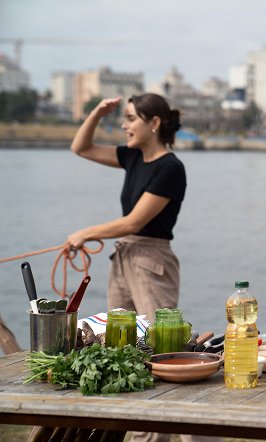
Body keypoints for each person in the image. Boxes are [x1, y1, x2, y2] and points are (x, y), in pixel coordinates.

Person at [66, 93, 186, 325]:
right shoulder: (132, 157)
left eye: (131, 119)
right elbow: (80, 148)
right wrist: (96, 114)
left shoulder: (170, 167)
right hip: (124, 256)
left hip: (151, 259)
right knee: (120, 339)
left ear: (154, 123)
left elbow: (133, 222)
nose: (124, 125)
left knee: (156, 337)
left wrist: (86, 233)